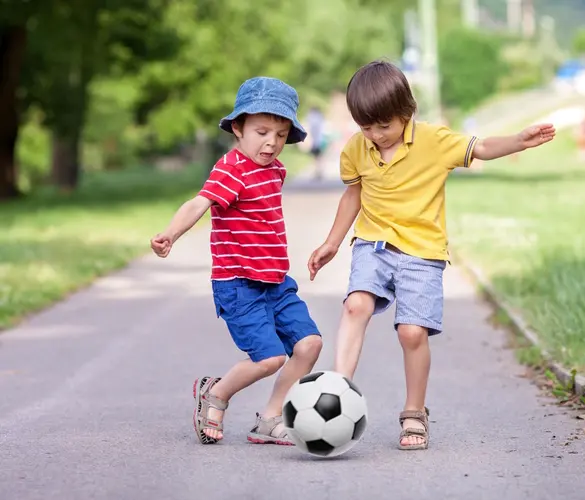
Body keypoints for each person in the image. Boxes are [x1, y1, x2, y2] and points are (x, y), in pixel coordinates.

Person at [307, 61, 555, 451]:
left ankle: (414, 411)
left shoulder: (433, 141)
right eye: (366, 127)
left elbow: (482, 147)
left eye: (383, 126)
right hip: (372, 243)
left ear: (407, 113)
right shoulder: (357, 148)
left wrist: (519, 141)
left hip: (422, 252)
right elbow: (353, 195)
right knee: (355, 305)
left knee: (412, 332)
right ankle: (338, 392)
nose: (375, 135)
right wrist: (332, 242)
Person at [150, 77, 323, 445]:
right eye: (261, 131)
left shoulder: (275, 171)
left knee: (309, 344)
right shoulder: (231, 169)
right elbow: (199, 202)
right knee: (269, 358)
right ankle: (216, 395)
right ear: (238, 129)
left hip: (276, 281)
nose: (271, 142)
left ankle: (271, 417)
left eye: (280, 134)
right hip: (240, 284)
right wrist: (170, 234)